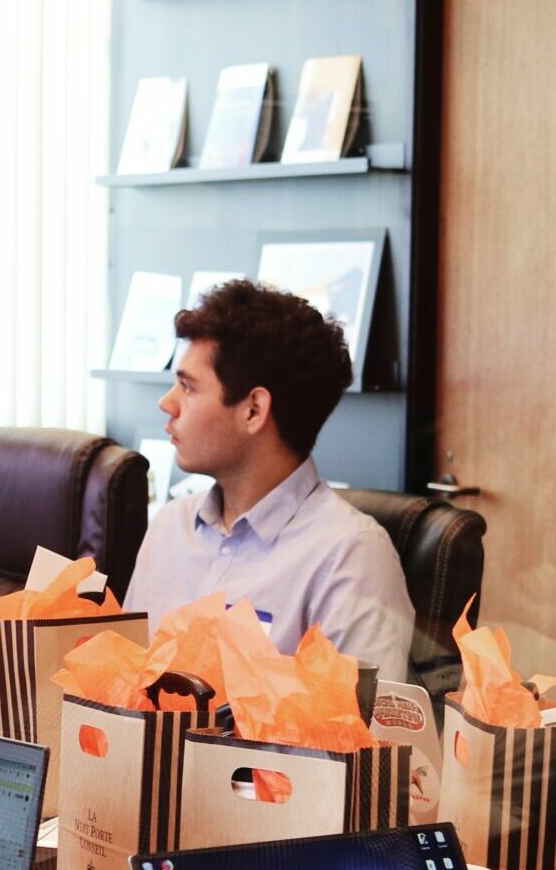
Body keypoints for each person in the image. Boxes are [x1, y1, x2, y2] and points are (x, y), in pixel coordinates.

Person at [123, 279, 416, 683]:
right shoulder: (169, 527)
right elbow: (120, 693)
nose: (167, 403)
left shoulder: (350, 556)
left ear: (254, 410)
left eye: (189, 387)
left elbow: (360, 738)